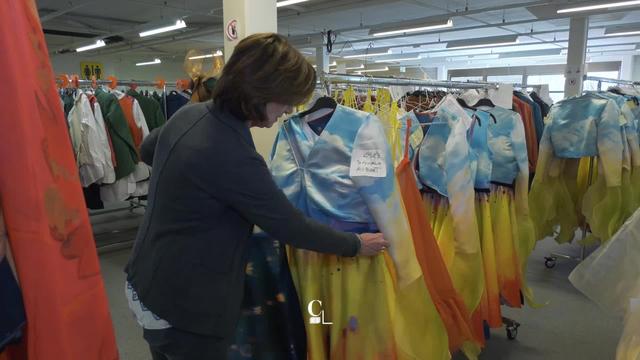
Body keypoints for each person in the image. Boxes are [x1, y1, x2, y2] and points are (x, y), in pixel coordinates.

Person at [125, 32, 389, 360]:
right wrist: (357, 245)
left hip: (148, 277)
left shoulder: (193, 114)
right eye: (286, 100)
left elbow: (148, 148)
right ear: (260, 92)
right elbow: (290, 226)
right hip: (185, 305)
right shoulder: (228, 151)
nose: (290, 110)